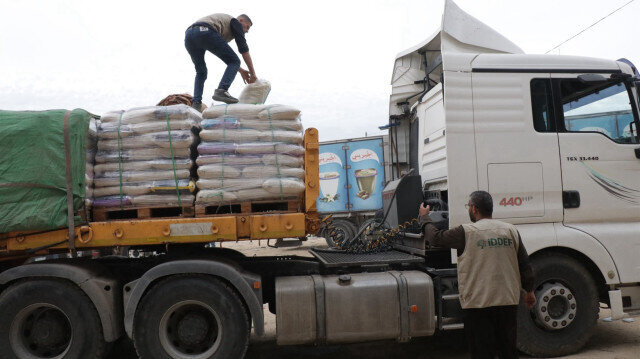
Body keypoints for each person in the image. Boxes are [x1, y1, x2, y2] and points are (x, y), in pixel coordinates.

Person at [419, 191, 537, 359]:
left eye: (469, 206)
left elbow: (436, 238)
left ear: (474, 209)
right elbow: (524, 263)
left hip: (478, 304)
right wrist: (529, 290)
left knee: (482, 351)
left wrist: (424, 218)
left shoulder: (465, 232)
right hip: (507, 301)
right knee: (508, 349)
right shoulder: (510, 230)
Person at [184, 13, 257, 109]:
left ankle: (196, 103)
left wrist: (241, 71)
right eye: (247, 27)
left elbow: (225, 56)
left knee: (201, 72)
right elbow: (243, 49)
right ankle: (222, 90)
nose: (247, 31)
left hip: (189, 35)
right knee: (235, 61)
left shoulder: (223, 29)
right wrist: (253, 74)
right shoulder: (235, 22)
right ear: (240, 21)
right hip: (205, 31)